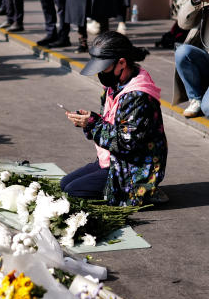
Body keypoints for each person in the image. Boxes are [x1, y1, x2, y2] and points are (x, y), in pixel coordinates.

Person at [61, 32, 167, 206]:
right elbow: (108, 123)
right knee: (65, 184)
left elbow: (125, 142)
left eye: (103, 67)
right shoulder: (115, 85)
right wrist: (90, 120)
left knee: (73, 192)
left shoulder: (138, 95)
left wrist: (92, 124)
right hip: (114, 159)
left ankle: (145, 192)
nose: (100, 73)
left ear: (122, 63)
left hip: (133, 168)